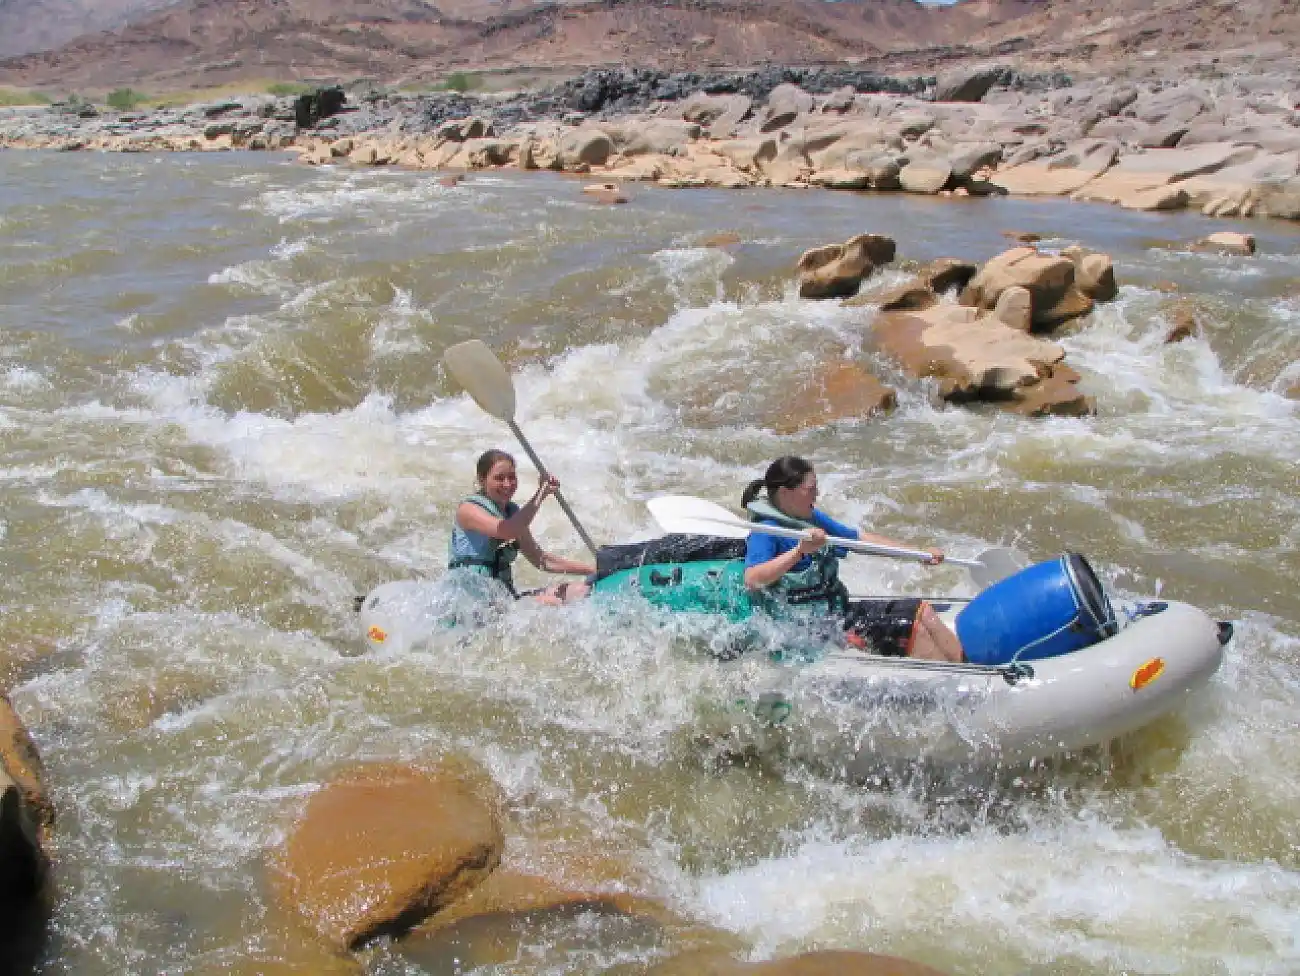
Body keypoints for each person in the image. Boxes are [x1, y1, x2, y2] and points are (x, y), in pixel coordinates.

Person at [740, 456, 965, 662]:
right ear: (785, 493)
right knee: (910, 628)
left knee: (922, 610)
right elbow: (752, 579)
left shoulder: (809, 518)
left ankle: (965, 667)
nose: (816, 495)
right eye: (810, 489)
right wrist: (799, 552)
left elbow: (858, 540)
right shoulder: (765, 530)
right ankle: (956, 687)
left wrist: (917, 552)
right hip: (810, 628)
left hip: (837, 612)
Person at [449, 449, 595, 605]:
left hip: (502, 600)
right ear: (482, 480)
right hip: (471, 605)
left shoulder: (513, 514)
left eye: (511, 477)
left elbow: (541, 560)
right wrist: (541, 494)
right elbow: (506, 530)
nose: (507, 484)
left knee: (580, 591)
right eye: (499, 478)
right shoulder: (468, 510)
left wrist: (593, 569)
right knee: (553, 602)